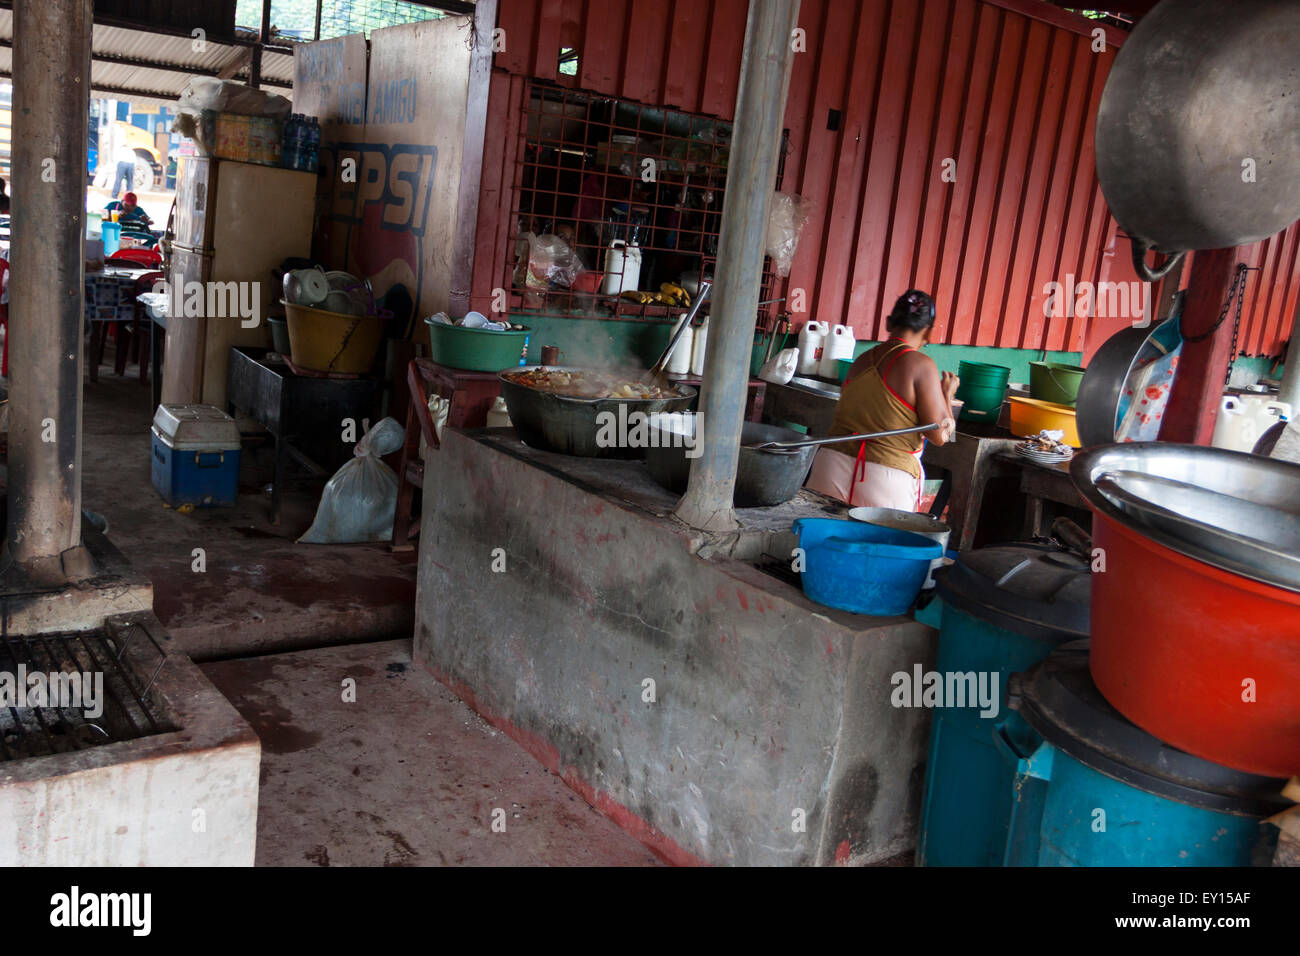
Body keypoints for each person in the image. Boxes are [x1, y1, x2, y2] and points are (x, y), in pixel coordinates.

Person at [804, 290, 960, 512]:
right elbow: (942, 436)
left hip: (829, 466)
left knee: (821, 543)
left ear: (888, 323)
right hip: (883, 479)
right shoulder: (921, 365)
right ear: (930, 333)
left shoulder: (861, 360)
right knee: (879, 547)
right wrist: (947, 395)